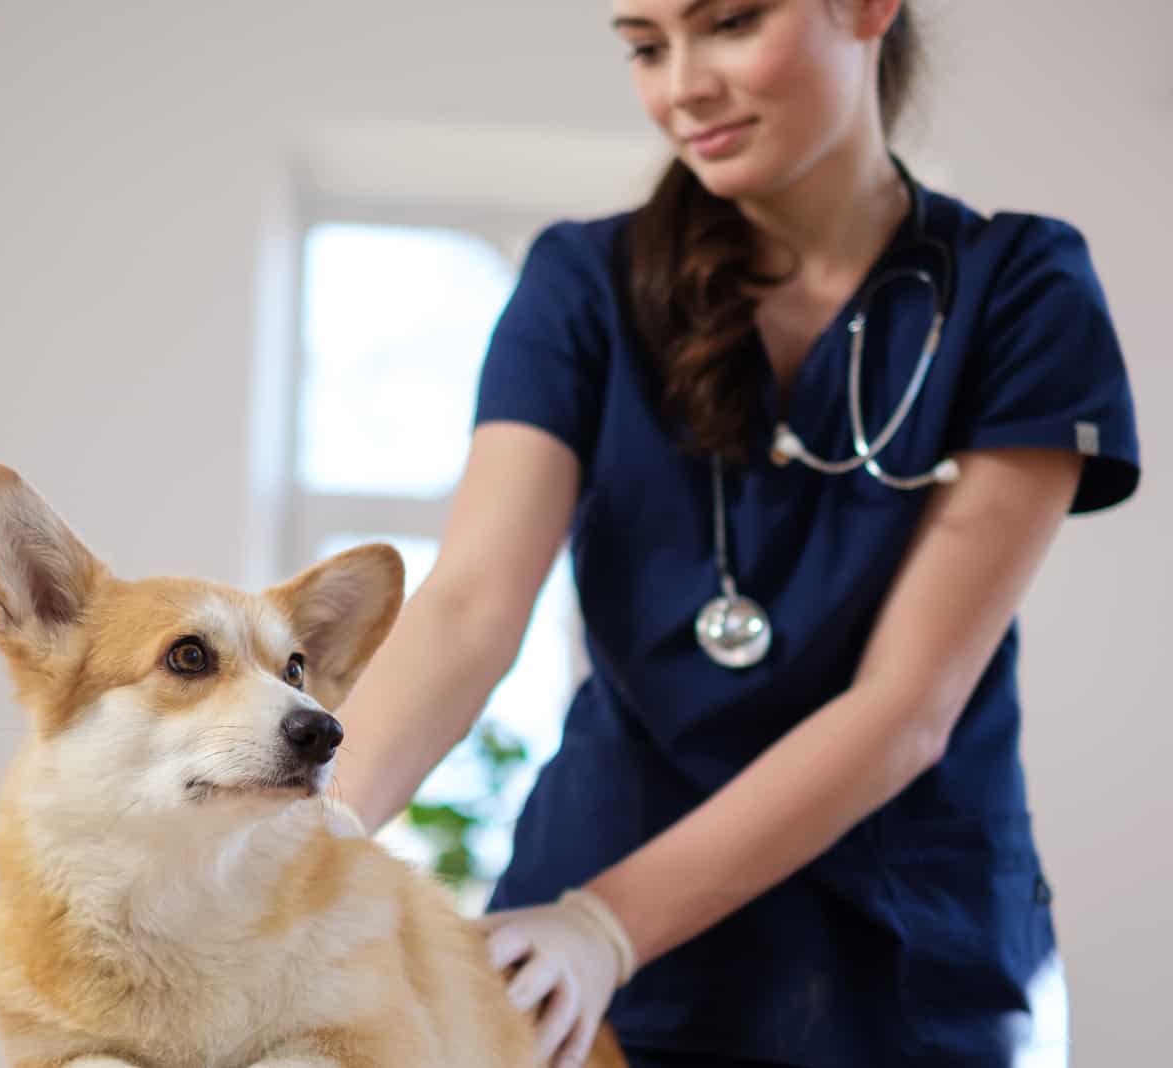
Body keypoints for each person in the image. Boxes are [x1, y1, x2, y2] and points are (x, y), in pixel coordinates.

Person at [327, 1, 1141, 1066]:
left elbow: (907, 706)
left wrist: (608, 923)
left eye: (729, 23)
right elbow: (472, 605)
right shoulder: (584, 286)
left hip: (904, 954)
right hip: (589, 961)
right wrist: (318, 834)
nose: (682, 86)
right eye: (644, 46)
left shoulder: (1020, 291)